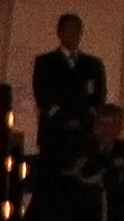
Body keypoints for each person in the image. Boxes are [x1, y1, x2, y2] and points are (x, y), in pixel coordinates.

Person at [29, 13, 106, 157]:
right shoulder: (45, 62)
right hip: (54, 131)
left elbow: (98, 97)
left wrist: (83, 115)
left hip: (84, 131)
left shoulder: (93, 64)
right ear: (60, 33)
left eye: (76, 30)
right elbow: (42, 94)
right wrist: (62, 115)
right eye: (68, 30)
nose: (72, 35)